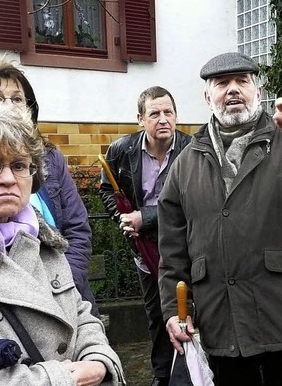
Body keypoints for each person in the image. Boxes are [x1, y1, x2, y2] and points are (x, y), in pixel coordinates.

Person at [158, 52, 282, 386]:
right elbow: (172, 251)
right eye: (222, 83)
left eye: (242, 81)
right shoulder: (186, 163)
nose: (233, 89)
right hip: (222, 324)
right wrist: (175, 311)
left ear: (257, 92)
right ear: (208, 97)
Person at [0, 98, 124, 385]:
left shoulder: (42, 239)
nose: (8, 178)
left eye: (20, 165)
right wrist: (57, 379)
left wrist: (99, 360)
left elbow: (80, 313)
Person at [0, 58, 99, 316]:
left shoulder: (51, 158)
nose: (10, 107)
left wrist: (62, 287)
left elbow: (77, 229)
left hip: (65, 297)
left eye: (17, 99)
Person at [99, 86, 191, 386]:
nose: (163, 119)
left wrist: (145, 218)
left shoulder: (192, 151)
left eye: (169, 112)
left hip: (186, 249)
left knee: (194, 312)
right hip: (146, 252)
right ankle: (162, 376)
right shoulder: (121, 150)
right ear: (141, 119)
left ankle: (194, 372)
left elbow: (194, 202)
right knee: (157, 316)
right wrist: (123, 219)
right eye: (155, 113)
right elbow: (107, 190)